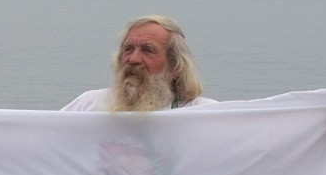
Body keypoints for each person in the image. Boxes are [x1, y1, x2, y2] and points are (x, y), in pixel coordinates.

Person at [62, 15, 215, 112]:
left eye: (148, 50)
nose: (133, 59)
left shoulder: (201, 113)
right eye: (128, 49)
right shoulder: (89, 105)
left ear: (175, 66)